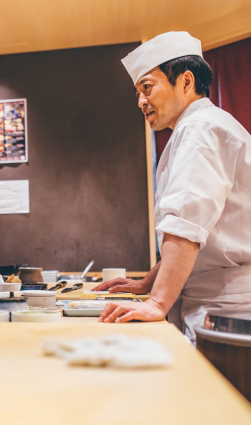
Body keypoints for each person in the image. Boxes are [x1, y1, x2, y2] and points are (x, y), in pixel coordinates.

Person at [94, 31, 251, 341]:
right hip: (210, 299)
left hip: (228, 305)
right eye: (137, 93)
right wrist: (147, 283)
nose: (141, 101)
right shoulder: (197, 127)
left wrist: (157, 302)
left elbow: (186, 224)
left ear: (186, 82)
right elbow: (193, 229)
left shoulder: (201, 128)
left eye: (147, 88)